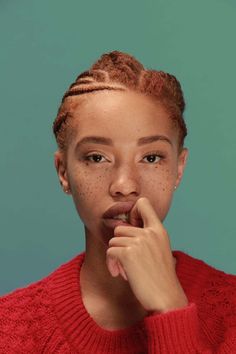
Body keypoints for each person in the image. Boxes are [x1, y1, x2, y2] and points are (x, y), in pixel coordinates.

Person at [0, 50, 235, 354]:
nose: (124, 185)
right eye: (97, 158)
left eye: (151, 158)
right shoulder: (10, 328)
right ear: (64, 173)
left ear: (178, 168)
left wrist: (170, 309)